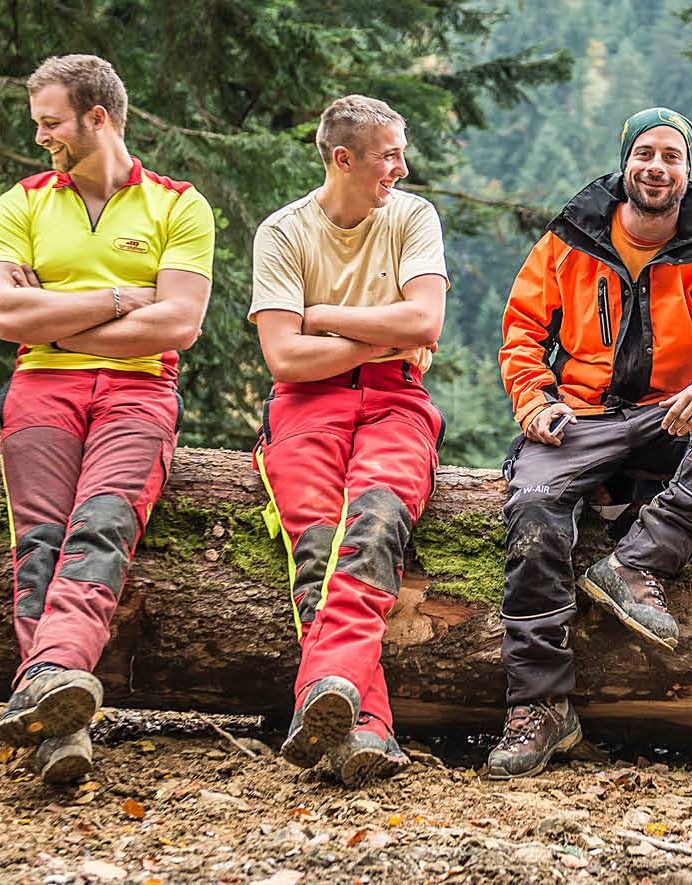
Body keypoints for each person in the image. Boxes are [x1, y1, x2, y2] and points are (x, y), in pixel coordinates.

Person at [486, 108, 692, 780]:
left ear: (689, 170)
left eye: (672, 156)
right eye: (644, 152)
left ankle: (638, 565)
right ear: (626, 163)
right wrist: (534, 401)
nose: (656, 166)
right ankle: (539, 707)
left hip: (664, 417)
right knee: (532, 509)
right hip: (579, 417)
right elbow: (522, 331)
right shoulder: (571, 238)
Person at [0, 54, 214, 783]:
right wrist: (121, 299)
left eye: (50, 122)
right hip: (39, 394)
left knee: (99, 533)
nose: (41, 135)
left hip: (139, 395)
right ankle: (59, 725)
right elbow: (5, 314)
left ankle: (46, 683)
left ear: (97, 117)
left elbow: (178, 323)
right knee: (39, 548)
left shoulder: (179, 204)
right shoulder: (19, 202)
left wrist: (56, 321)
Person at [249, 95, 447, 785]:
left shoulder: (413, 216)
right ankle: (364, 727)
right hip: (304, 408)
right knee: (317, 543)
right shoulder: (283, 232)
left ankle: (324, 689)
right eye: (389, 155)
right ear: (344, 159)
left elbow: (425, 323)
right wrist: (377, 333)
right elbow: (284, 359)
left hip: (397, 401)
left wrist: (324, 317)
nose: (402, 166)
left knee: (375, 523)